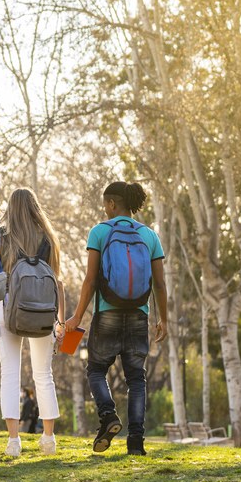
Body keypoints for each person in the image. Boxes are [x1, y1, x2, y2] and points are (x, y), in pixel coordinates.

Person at [65, 181, 168, 456]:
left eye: (105, 204)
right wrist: (163, 320)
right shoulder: (149, 236)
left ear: (112, 204)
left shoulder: (100, 231)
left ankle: (108, 416)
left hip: (107, 312)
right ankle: (136, 442)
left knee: (96, 370)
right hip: (139, 314)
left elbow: (90, 280)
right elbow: (159, 284)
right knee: (136, 378)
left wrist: (76, 316)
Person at [0, 187, 66, 457]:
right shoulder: (48, 237)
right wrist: (61, 321)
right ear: (35, 206)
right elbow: (57, 282)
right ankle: (48, 438)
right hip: (44, 311)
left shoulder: (1, 235)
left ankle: (13, 441)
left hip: (8, 309)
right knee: (44, 375)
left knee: (10, 373)